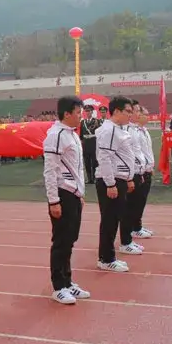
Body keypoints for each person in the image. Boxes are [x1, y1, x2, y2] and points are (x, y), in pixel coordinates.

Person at [42, 96, 89, 304]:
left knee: (70, 239)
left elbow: (77, 168)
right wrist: (54, 200)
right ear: (67, 114)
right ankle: (58, 286)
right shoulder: (56, 135)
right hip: (62, 194)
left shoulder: (72, 135)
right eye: (78, 113)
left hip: (74, 194)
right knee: (61, 241)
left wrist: (80, 193)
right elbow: (50, 170)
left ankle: (68, 281)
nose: (81, 116)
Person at [94, 96, 136, 271]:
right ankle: (106, 259)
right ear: (117, 111)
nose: (130, 115)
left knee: (113, 219)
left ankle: (108, 256)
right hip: (111, 181)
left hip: (118, 179)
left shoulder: (116, 129)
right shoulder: (110, 130)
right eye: (128, 111)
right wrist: (110, 184)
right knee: (109, 221)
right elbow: (104, 157)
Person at [128, 104, 155, 241]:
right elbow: (136, 153)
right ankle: (135, 228)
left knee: (141, 201)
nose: (146, 116)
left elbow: (147, 152)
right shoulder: (134, 132)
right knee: (136, 202)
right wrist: (143, 169)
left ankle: (137, 226)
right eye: (144, 113)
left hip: (146, 169)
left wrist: (150, 166)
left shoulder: (144, 131)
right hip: (139, 171)